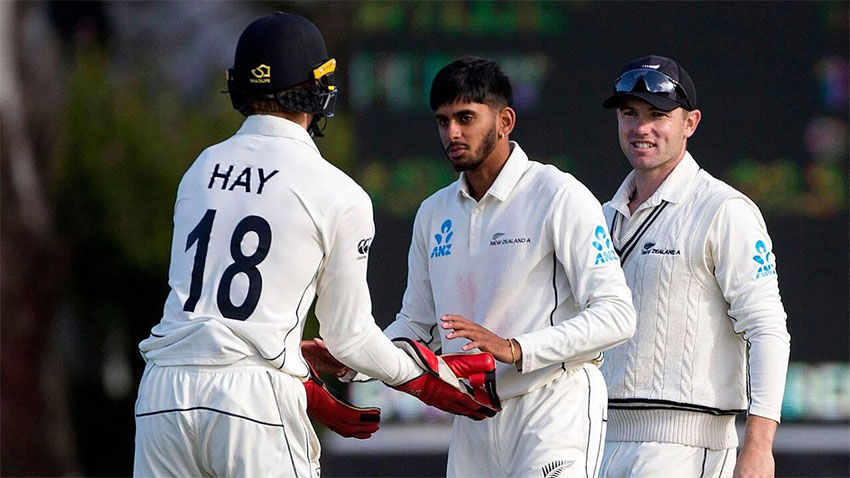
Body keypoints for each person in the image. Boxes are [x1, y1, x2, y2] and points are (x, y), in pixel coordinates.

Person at [132, 13, 498, 478]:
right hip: (253, 401)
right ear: (317, 89)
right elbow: (349, 337)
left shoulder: (201, 169)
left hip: (163, 393)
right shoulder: (338, 192)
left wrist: (298, 368)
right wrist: (428, 379)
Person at [315, 56, 637, 477]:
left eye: (466, 118)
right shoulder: (434, 212)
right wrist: (352, 358)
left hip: (552, 408)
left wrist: (516, 348)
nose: (452, 132)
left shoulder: (558, 194)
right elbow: (416, 328)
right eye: (442, 121)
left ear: (505, 121)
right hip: (472, 417)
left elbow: (617, 315)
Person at [596, 55, 791, 478]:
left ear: (690, 123)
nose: (641, 128)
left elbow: (767, 330)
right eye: (630, 114)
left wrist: (759, 448)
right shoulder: (602, 217)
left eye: (657, 115)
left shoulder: (724, 210)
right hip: (597, 442)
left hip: (685, 449)